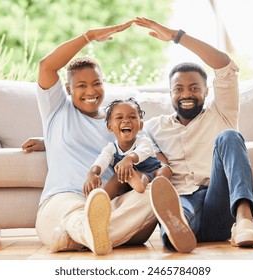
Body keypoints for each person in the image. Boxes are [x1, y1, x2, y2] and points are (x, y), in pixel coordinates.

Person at [25, 20, 160, 255]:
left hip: (106, 201)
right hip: (63, 200)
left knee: (154, 194)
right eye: (82, 85)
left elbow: (153, 157)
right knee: (73, 215)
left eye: (97, 83)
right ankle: (90, 233)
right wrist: (89, 36)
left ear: (104, 85)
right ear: (68, 89)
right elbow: (46, 66)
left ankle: (75, 239)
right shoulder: (57, 109)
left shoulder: (122, 120)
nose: (91, 91)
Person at [134, 17, 253, 253]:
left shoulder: (221, 113)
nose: (187, 94)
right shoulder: (153, 127)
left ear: (206, 91)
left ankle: (244, 222)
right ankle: (175, 230)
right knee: (174, 223)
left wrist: (177, 36)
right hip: (182, 200)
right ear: (170, 93)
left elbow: (225, 65)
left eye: (194, 88)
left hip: (220, 205)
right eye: (179, 89)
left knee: (230, 136)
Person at [84, 98, 163, 200]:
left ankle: (139, 184)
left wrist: (129, 159)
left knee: (143, 176)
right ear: (110, 126)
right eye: (119, 117)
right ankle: (102, 200)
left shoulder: (143, 141)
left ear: (141, 125)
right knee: (117, 177)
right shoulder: (111, 148)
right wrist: (93, 173)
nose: (126, 121)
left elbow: (144, 150)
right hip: (124, 180)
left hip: (147, 174)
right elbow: (101, 160)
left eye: (132, 117)